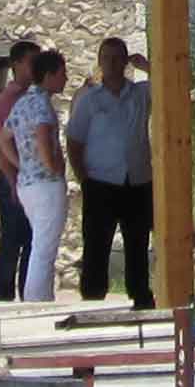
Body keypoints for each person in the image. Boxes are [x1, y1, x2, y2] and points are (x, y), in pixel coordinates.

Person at [67, 36, 154, 309]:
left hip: (137, 180)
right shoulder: (89, 99)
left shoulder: (141, 93)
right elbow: (74, 140)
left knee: (138, 243)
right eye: (107, 58)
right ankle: (93, 299)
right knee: (96, 244)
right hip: (100, 181)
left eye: (118, 57)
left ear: (126, 61)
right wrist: (84, 179)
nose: (113, 63)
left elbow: (177, 86)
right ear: (100, 62)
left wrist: (149, 67)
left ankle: (140, 296)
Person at [4, 45, 72, 304]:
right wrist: (52, 165)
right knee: (45, 248)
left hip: (27, 184)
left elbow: (3, 138)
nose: (65, 78)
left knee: (39, 242)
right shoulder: (42, 104)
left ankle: (38, 297)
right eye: (61, 73)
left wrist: (21, 164)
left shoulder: (22, 103)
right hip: (46, 184)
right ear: (49, 75)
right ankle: (37, 302)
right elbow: (43, 134)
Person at [0, 38, 44, 297]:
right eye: (32, 63)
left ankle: (29, 294)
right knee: (12, 240)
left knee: (33, 239)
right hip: (13, 179)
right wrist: (15, 180)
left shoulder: (37, 98)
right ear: (16, 64)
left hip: (34, 180)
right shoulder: (3, 103)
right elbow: (3, 145)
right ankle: (2, 297)